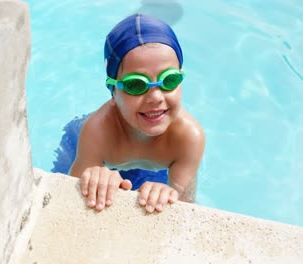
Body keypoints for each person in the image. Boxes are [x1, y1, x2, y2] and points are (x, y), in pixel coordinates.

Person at [52, 13, 205, 213]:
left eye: (169, 80)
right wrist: (94, 176)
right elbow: (69, 202)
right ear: (113, 92)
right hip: (82, 141)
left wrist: (169, 193)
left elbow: (187, 208)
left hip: (154, 167)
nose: (156, 97)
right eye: (136, 85)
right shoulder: (98, 132)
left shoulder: (188, 137)